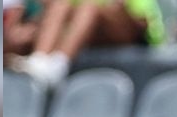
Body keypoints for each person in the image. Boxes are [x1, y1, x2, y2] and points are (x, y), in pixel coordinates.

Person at [11, 0, 164, 91]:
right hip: (94, 37)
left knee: (90, 6)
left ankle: (59, 65)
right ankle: (40, 60)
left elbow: (142, 23)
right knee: (60, 4)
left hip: (134, 37)